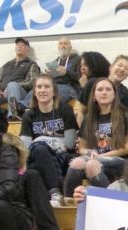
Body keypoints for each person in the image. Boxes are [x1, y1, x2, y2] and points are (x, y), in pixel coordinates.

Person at [64, 77, 128, 195]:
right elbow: (82, 148)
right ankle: (69, 203)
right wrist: (90, 152)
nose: (104, 92)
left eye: (108, 89)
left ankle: (108, 202)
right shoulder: (89, 118)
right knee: (76, 162)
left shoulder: (126, 115)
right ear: (94, 96)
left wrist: (101, 156)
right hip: (95, 158)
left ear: (114, 95)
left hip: (121, 161)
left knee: (91, 165)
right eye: (100, 89)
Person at [20, 74, 79, 207]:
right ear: (34, 92)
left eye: (47, 86)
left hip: (62, 156)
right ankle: (55, 193)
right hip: (40, 156)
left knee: (40, 147)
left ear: (54, 91)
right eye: (39, 87)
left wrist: (42, 139)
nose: (42, 90)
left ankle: (51, 194)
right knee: (39, 151)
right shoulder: (29, 116)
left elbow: (69, 143)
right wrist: (43, 143)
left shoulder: (65, 110)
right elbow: (25, 147)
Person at [0, 37, 40, 120]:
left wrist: (12, 87)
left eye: (22, 45)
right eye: (18, 45)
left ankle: (13, 115)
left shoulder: (31, 64)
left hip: (21, 92)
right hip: (2, 94)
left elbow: (32, 82)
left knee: (13, 85)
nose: (19, 47)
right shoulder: (6, 65)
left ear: (27, 49)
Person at [77, 55, 128, 122]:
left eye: (126, 68)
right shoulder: (92, 84)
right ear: (111, 67)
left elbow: (126, 120)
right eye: (120, 65)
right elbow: (81, 112)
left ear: (127, 75)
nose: (122, 69)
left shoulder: (125, 94)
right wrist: (82, 131)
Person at [46, 37, 81, 103]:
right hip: (55, 86)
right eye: (61, 43)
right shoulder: (55, 62)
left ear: (70, 47)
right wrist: (48, 76)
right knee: (37, 90)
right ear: (58, 47)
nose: (63, 45)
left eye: (65, 43)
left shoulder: (78, 60)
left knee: (53, 93)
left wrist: (66, 72)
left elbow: (81, 77)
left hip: (70, 87)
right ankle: (22, 105)